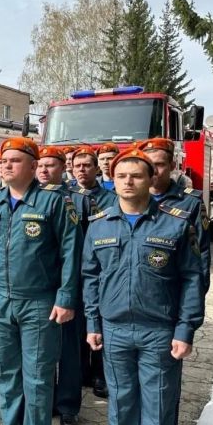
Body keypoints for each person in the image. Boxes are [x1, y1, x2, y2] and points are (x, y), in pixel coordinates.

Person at [82, 147, 205, 425]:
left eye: (136, 176)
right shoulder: (99, 225)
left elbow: (192, 279)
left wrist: (185, 329)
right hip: (114, 330)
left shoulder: (176, 224)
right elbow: (90, 277)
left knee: (159, 408)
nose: (128, 182)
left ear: (150, 179)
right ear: (112, 179)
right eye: (121, 176)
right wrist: (92, 323)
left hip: (160, 331)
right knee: (120, 405)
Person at [0, 137, 82, 425]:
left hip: (39, 302)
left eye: (15, 160)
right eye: (3, 161)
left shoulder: (54, 202)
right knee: (8, 373)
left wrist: (65, 297)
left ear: (33, 166)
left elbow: (71, 253)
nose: (6, 165)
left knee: (37, 377)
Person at [139, 137, 212, 425]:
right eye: (149, 165)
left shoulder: (189, 204)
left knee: (163, 384)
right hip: (134, 307)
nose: (154, 172)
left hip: (168, 308)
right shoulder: (127, 199)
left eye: (160, 165)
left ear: (172, 166)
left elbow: (199, 263)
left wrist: (188, 317)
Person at [36, 146, 98, 425]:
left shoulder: (79, 200)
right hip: (39, 288)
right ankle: (46, 401)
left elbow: (82, 249)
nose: (44, 170)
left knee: (69, 352)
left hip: (69, 286)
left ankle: (69, 406)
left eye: (50, 165)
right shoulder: (30, 198)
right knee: (41, 351)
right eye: (40, 165)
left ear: (64, 168)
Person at [71, 146, 117, 398]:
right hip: (74, 269)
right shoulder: (67, 196)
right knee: (78, 324)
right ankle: (81, 372)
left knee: (98, 320)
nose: (82, 170)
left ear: (97, 169)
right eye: (77, 166)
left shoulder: (111, 198)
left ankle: (100, 374)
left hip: (101, 269)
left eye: (87, 165)